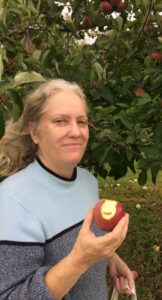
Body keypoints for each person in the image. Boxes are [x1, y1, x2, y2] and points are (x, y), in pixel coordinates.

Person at [0, 79, 137, 300]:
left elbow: (84, 241)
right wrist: (81, 259)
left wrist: (110, 257)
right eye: (61, 121)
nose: (76, 132)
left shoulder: (88, 182)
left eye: (81, 121)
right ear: (35, 132)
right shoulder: (12, 200)